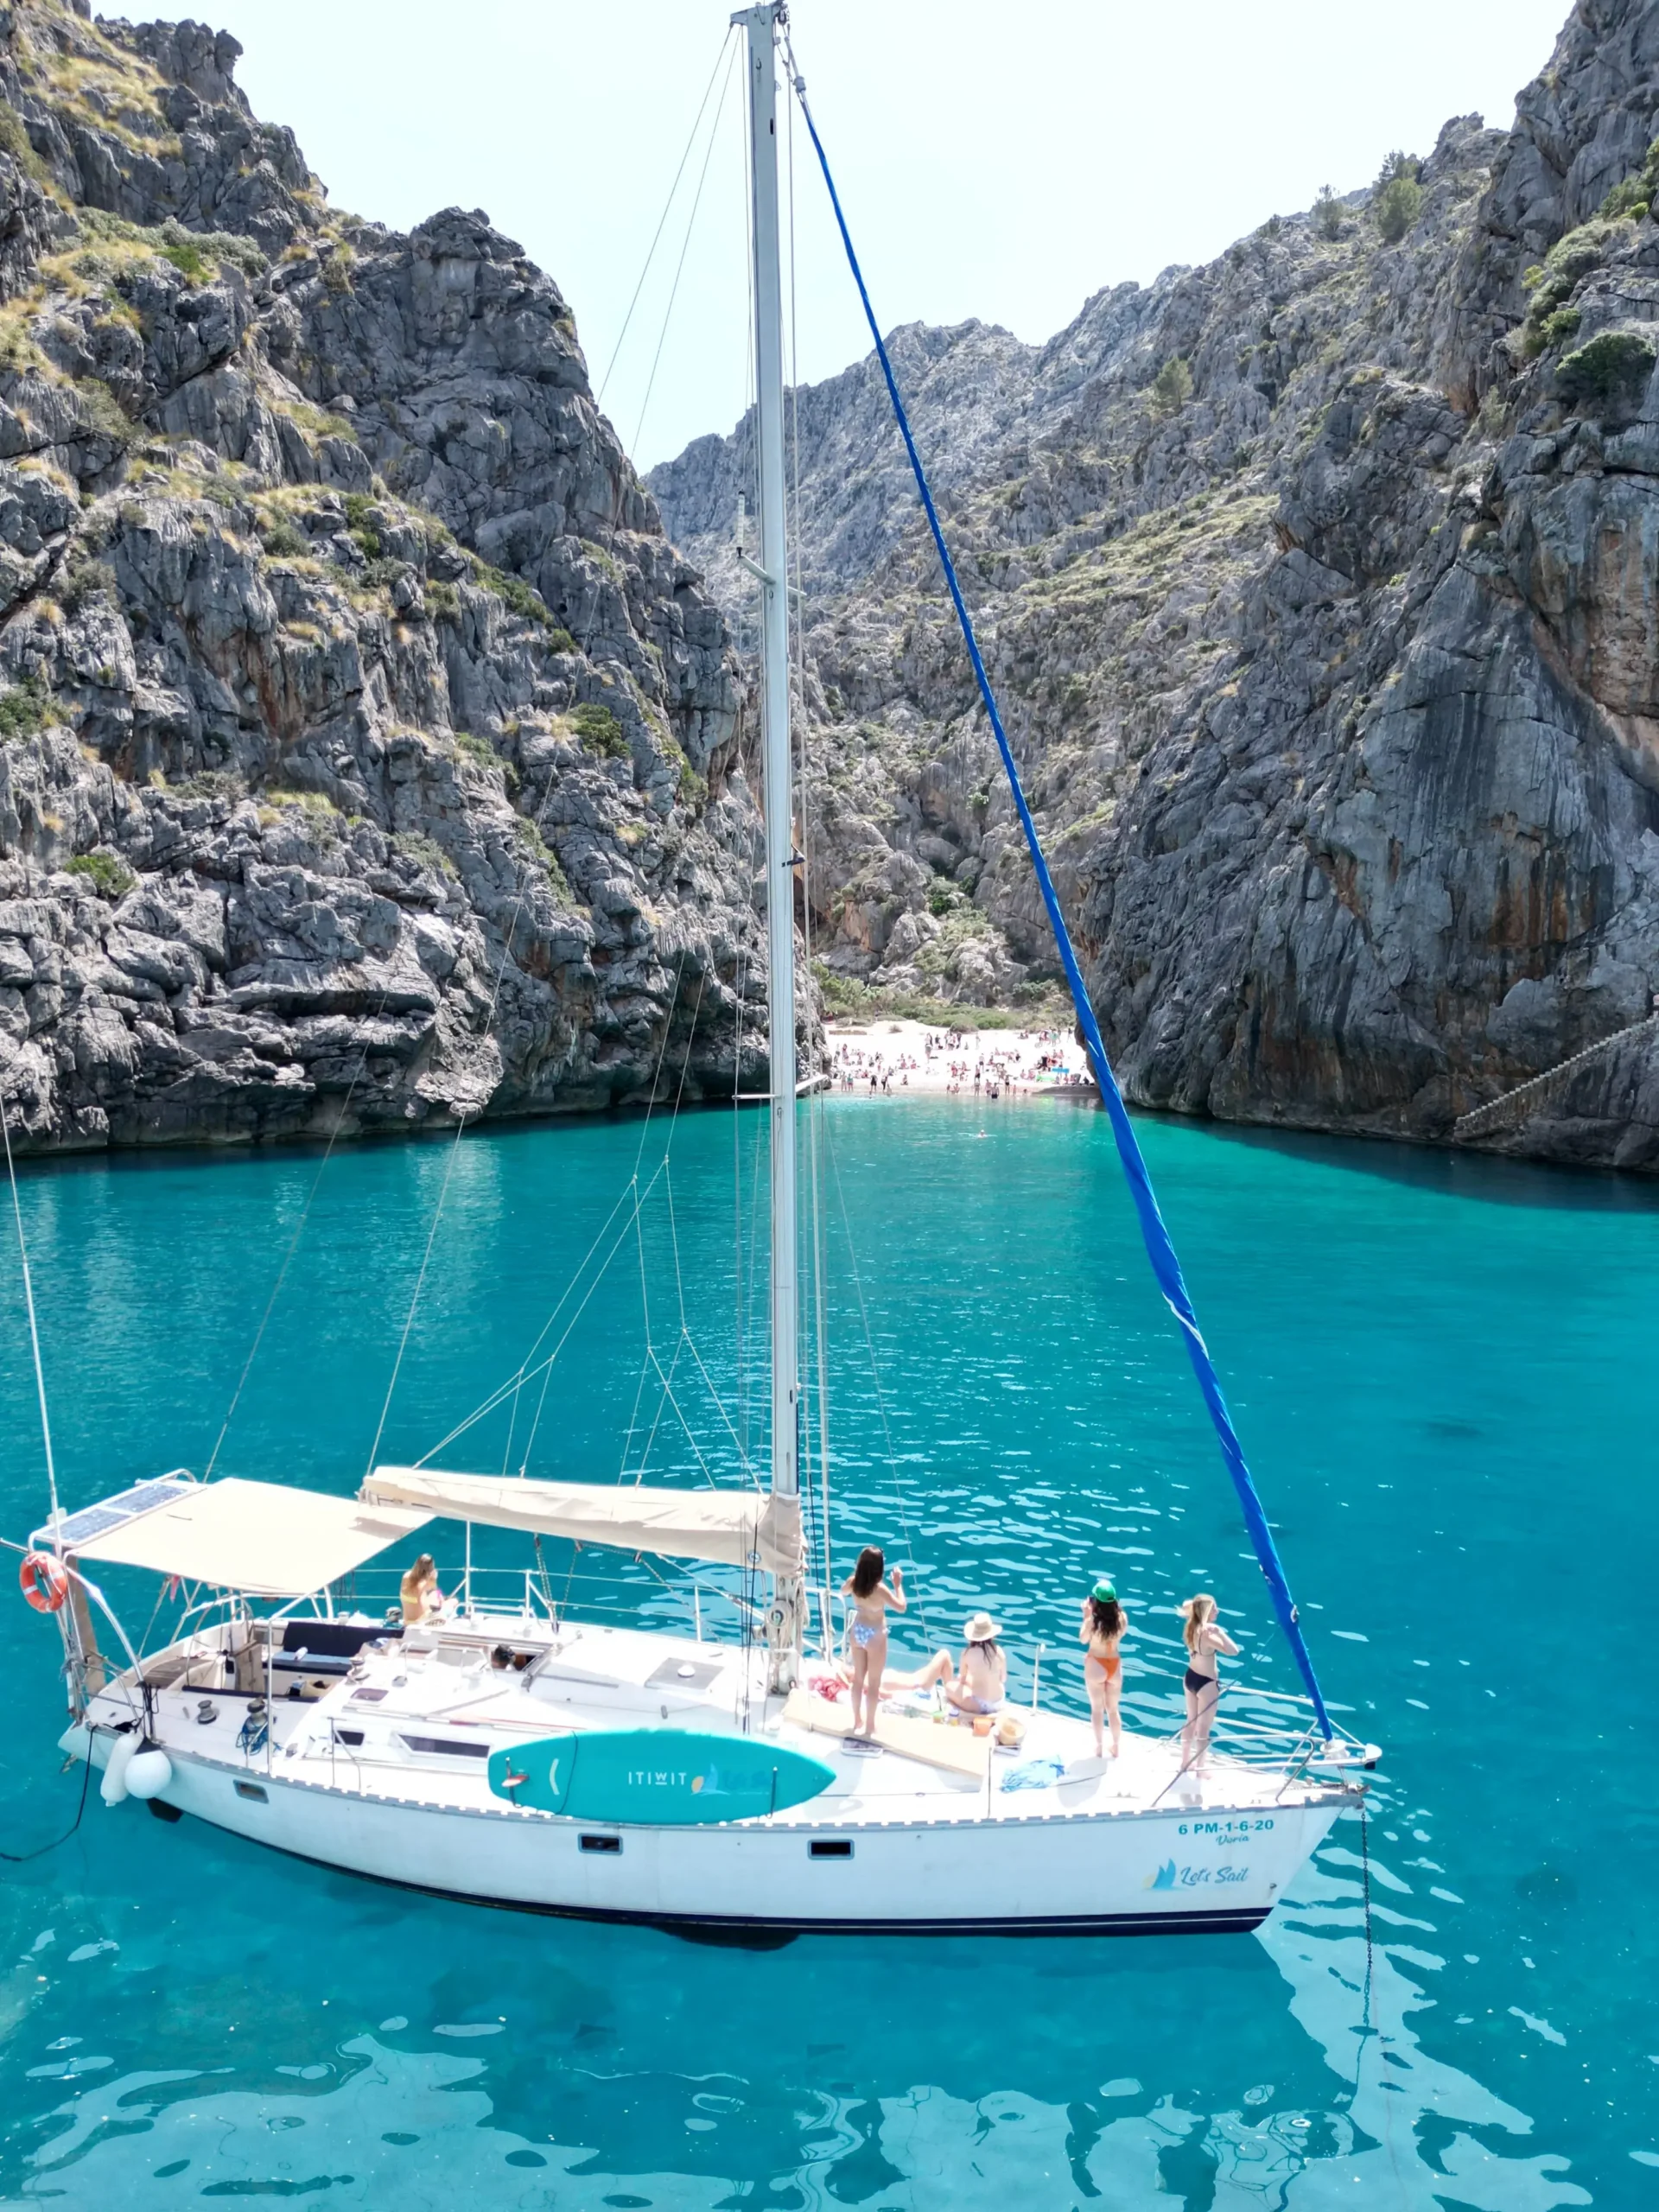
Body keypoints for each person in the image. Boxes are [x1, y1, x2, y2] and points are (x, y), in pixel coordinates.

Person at [839, 1545, 906, 1741]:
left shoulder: (854, 1582)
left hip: (858, 1630)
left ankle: (857, 1721)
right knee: (874, 1684)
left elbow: (842, 1592)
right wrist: (898, 1585)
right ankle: (869, 1726)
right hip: (875, 1634)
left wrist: (853, 1579)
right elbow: (901, 1607)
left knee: (858, 1680)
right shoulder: (880, 1589)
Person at [1179, 1592, 1238, 1769]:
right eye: (1214, 1608)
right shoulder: (1207, 1635)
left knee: (1190, 1721)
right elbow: (1233, 1650)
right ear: (1206, 1612)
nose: (1217, 1611)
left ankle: (1184, 1762)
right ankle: (1200, 1769)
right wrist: (1220, 1632)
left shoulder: (1190, 1627)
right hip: (1206, 1684)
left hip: (1190, 1677)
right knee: (1203, 1729)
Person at [1079, 1579, 1129, 1758]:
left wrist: (1086, 1616)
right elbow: (1121, 1634)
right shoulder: (1122, 1618)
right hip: (1114, 1664)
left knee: (1097, 1709)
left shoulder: (1093, 1622)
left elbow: (1083, 1639)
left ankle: (1099, 1747)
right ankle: (1115, 1746)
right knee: (1113, 1710)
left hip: (1096, 1664)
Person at [944, 1612, 1007, 1715]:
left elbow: (962, 1678)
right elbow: (1003, 1679)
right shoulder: (999, 1651)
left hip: (981, 1705)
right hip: (999, 1701)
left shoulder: (967, 1653)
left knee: (949, 1687)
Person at [399, 1554, 442, 1625]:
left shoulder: (406, 1576)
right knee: (451, 1602)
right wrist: (434, 1579)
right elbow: (437, 1593)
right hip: (419, 1620)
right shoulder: (425, 1582)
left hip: (406, 1620)